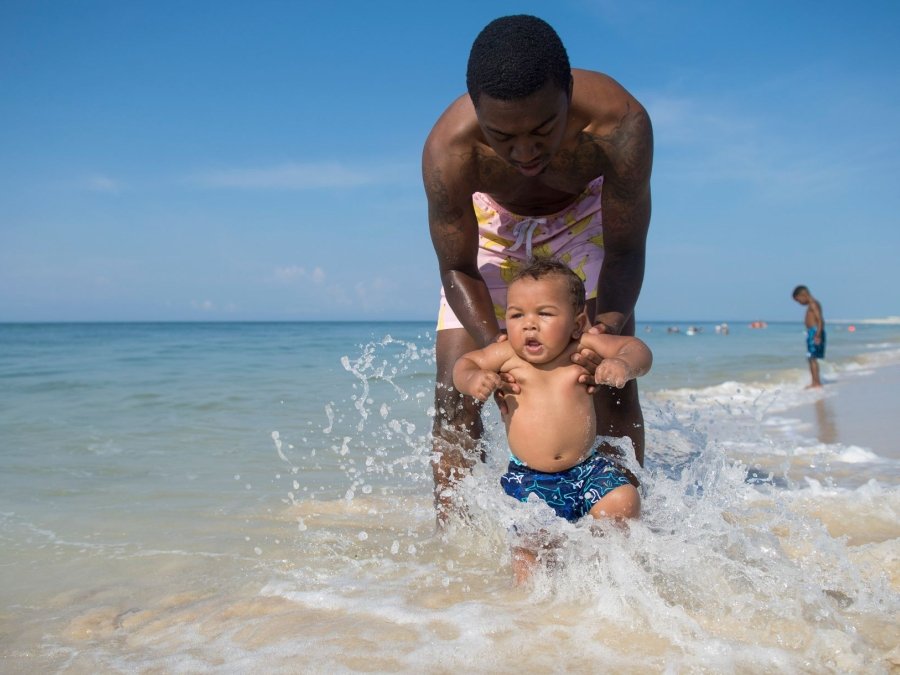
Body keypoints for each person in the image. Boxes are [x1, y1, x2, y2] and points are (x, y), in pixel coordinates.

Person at [423, 14, 653, 523]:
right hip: (493, 229)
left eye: (544, 129)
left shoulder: (618, 124)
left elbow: (626, 250)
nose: (525, 152)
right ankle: (456, 548)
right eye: (502, 136)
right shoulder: (450, 151)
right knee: (453, 396)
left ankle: (623, 545)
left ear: (567, 93)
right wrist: (499, 351)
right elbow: (457, 266)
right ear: (477, 110)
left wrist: (604, 330)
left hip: (583, 217)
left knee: (609, 387)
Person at [452, 258, 652, 583]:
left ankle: (611, 579)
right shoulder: (506, 355)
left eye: (544, 314)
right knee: (530, 551)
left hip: (587, 470)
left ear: (577, 323)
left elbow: (636, 348)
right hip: (529, 479)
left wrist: (623, 365)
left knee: (623, 500)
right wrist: (473, 379)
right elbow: (464, 363)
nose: (529, 325)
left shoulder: (582, 346)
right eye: (517, 315)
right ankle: (532, 605)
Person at [792, 285, 826, 388]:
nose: (799, 303)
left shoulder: (813, 304)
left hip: (814, 332)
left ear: (803, 295)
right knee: (811, 358)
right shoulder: (812, 304)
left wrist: (817, 334)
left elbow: (820, 320)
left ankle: (816, 382)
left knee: (812, 357)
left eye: (799, 301)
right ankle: (815, 381)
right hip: (813, 332)